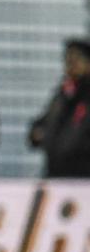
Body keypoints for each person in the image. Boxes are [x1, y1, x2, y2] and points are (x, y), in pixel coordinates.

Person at [28, 38, 90, 177]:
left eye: (76, 59)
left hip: (83, 174)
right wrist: (37, 132)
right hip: (56, 172)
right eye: (67, 59)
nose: (70, 65)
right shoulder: (64, 93)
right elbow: (47, 120)